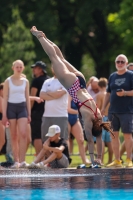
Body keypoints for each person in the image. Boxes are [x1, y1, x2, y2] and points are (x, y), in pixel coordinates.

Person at [30, 26, 105, 166]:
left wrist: (99, 159)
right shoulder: (89, 118)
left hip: (81, 81)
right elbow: (90, 140)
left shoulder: (98, 115)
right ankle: (39, 36)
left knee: (61, 58)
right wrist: (95, 161)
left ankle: (45, 37)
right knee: (53, 57)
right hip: (73, 86)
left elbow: (99, 137)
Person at [101, 54, 133, 168]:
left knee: (127, 136)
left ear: (126, 63)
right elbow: (108, 93)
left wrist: (125, 93)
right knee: (113, 136)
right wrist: (104, 107)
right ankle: (117, 160)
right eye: (118, 62)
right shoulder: (112, 76)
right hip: (113, 111)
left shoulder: (130, 75)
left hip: (127, 111)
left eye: (122, 62)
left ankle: (129, 159)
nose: (120, 63)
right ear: (115, 63)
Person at [2, 59, 31, 168]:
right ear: (13, 68)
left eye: (20, 67)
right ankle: (16, 161)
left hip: (22, 107)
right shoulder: (8, 81)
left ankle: (23, 161)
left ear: (23, 68)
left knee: (23, 134)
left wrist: (29, 114)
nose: (18, 69)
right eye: (17, 67)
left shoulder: (26, 81)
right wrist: (4, 115)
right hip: (11, 108)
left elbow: (27, 98)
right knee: (13, 135)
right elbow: (5, 98)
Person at [40, 67, 68, 143]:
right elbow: (42, 95)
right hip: (47, 115)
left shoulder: (65, 81)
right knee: (45, 140)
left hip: (61, 115)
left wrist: (48, 93)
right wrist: (55, 94)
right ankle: (48, 155)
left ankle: (62, 155)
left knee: (61, 140)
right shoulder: (47, 81)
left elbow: (59, 94)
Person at [30, 61, 49, 155]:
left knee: (37, 135)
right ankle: (46, 157)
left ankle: (39, 157)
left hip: (37, 111)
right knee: (47, 135)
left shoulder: (36, 81)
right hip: (48, 111)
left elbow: (32, 98)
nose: (33, 70)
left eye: (35, 68)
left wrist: (28, 111)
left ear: (41, 70)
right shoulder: (49, 80)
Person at [68, 94, 91, 164]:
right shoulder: (69, 95)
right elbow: (68, 109)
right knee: (66, 140)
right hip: (66, 118)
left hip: (75, 119)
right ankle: (66, 159)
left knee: (81, 140)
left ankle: (84, 160)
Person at [96, 78, 113, 164]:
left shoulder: (99, 95)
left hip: (102, 118)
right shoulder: (109, 94)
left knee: (101, 140)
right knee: (110, 141)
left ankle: (101, 160)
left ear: (98, 86)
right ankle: (110, 160)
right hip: (110, 118)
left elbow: (98, 108)